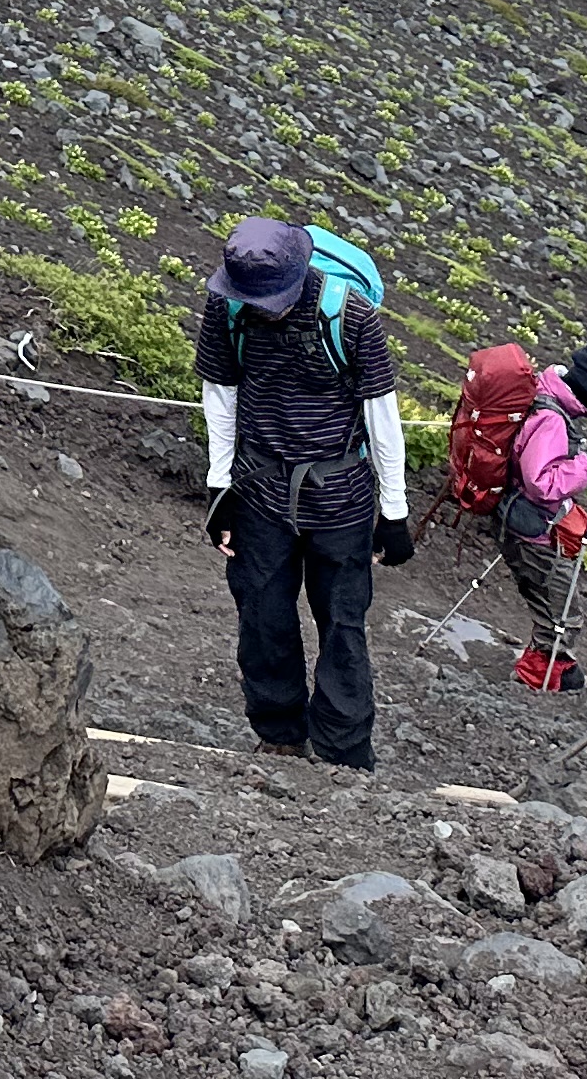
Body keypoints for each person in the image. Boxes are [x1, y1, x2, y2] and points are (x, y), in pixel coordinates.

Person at [196, 214, 411, 765]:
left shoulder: (351, 313)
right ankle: (280, 735)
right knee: (261, 615)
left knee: (342, 623)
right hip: (259, 490)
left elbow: (381, 414)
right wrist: (220, 489)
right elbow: (220, 396)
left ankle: (343, 750)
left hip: (341, 497)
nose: (259, 307)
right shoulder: (226, 305)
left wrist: (393, 511)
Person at [500, 339, 587, 692]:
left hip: (522, 521)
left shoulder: (546, 397)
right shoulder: (552, 420)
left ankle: (550, 668)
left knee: (550, 601)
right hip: (534, 530)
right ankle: (535, 675)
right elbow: (540, 483)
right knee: (560, 610)